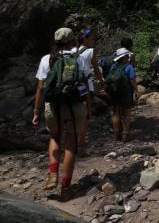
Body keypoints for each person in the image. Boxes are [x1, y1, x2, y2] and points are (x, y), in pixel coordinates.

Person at [32, 28, 91, 200]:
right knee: (71, 143)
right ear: (73, 40)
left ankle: (52, 175)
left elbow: (41, 88)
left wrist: (36, 111)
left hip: (53, 105)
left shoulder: (46, 59)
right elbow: (85, 85)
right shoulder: (78, 58)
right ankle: (66, 187)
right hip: (74, 105)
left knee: (54, 138)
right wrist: (89, 107)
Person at [74, 28, 103, 156]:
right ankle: (80, 147)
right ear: (85, 39)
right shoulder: (90, 51)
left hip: (73, 86)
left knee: (74, 116)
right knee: (85, 116)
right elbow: (96, 69)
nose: (93, 41)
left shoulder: (72, 51)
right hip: (86, 86)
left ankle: (72, 144)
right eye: (91, 39)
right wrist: (101, 81)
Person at [108, 48, 138, 141]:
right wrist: (136, 90)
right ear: (124, 57)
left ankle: (116, 134)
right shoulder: (129, 67)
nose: (129, 57)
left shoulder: (113, 66)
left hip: (115, 92)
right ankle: (125, 135)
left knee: (116, 113)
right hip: (126, 93)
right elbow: (132, 80)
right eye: (127, 56)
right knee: (127, 113)